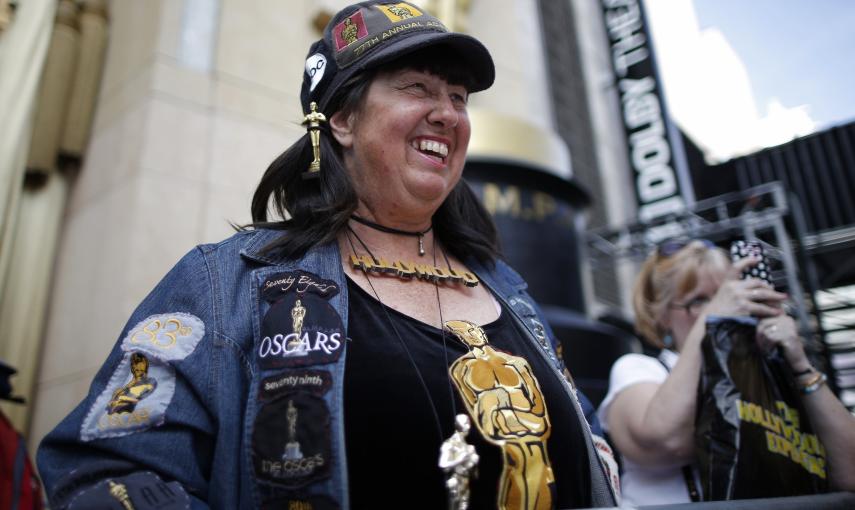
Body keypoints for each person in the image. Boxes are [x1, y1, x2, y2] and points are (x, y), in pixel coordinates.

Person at [37, 3, 618, 509]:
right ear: (340, 119)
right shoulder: (225, 283)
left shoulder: (507, 290)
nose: (447, 113)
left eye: (458, 97)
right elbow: (104, 469)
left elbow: (590, 442)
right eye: (416, 87)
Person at [597, 239, 855, 506]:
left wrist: (799, 366)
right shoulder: (641, 369)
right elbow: (663, 441)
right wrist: (713, 320)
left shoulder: (766, 374)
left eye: (729, 294)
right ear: (662, 316)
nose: (731, 305)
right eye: (698, 300)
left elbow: (851, 474)